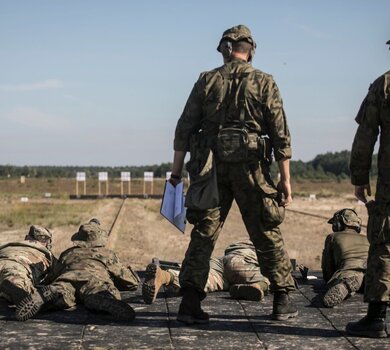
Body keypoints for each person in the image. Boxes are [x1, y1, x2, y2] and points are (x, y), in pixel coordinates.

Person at [170, 24, 297, 324]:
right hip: (251, 170)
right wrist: (286, 180)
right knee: (265, 230)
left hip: (210, 169)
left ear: (224, 49)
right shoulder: (265, 82)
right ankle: (282, 299)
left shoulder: (207, 81)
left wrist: (176, 172)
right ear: (250, 50)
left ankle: (189, 302)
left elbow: (184, 128)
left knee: (204, 232)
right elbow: (281, 136)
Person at [346, 40, 390, 338]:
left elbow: (365, 136)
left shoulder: (384, 85)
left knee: (384, 243)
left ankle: (376, 317)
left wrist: (360, 178)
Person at [15, 219, 140, 322]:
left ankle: (53, 294)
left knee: (63, 292)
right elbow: (130, 282)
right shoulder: (107, 254)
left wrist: (49, 284)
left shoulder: (67, 253)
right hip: (92, 280)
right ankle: (99, 298)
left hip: (67, 278)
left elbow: (53, 275)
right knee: (102, 291)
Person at [142, 240, 270, 304]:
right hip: (242, 262)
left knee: (198, 279)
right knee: (272, 277)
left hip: (221, 263)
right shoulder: (266, 244)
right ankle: (257, 287)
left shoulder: (242, 243)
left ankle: (165, 276)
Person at [321, 209, 369, 308]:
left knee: (345, 279)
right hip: (371, 269)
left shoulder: (332, 237)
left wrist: (330, 280)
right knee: (373, 282)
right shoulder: (367, 238)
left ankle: (346, 286)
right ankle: (363, 280)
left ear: (339, 223)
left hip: (349, 270)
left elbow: (328, 267)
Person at [0, 225, 55, 306]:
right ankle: (16, 291)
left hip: (3, 259)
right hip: (16, 267)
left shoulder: (12, 245)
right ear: (47, 243)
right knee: (18, 286)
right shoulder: (45, 254)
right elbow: (60, 274)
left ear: (27, 238)